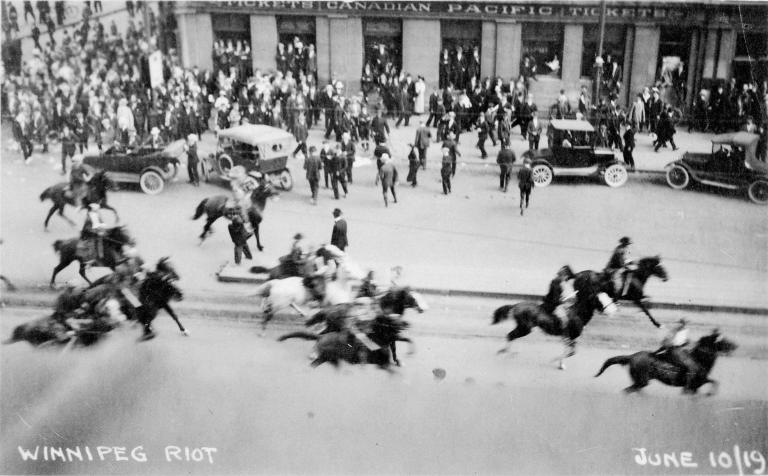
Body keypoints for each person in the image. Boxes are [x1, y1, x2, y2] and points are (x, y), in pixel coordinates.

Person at [656, 318, 700, 393]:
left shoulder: (686, 331)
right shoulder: (674, 331)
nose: (683, 325)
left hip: (680, 350)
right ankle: (682, 383)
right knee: (685, 365)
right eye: (682, 323)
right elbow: (668, 341)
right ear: (680, 324)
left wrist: (689, 344)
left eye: (684, 323)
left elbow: (685, 341)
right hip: (673, 350)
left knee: (693, 363)